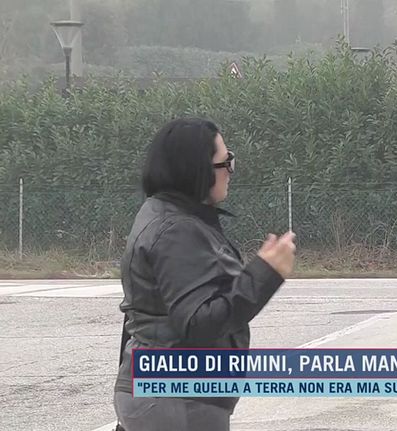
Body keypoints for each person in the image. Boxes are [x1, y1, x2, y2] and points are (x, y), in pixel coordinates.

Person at [113, 117, 296, 431]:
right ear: (196, 169)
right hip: (177, 400)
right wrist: (264, 274)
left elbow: (142, 316)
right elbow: (200, 322)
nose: (231, 171)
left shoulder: (163, 214)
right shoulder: (177, 230)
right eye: (225, 163)